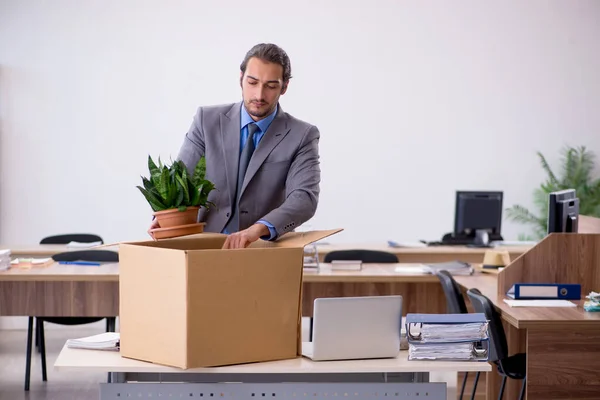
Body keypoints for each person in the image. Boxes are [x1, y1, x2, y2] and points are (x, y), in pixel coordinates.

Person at [148, 43, 321, 249]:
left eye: (271, 86)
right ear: (241, 79)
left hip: (263, 252)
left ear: (284, 87)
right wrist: (168, 217)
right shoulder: (206, 121)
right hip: (204, 251)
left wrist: (258, 229)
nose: (259, 94)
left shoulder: (302, 135)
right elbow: (180, 181)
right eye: (252, 82)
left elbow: (304, 198)